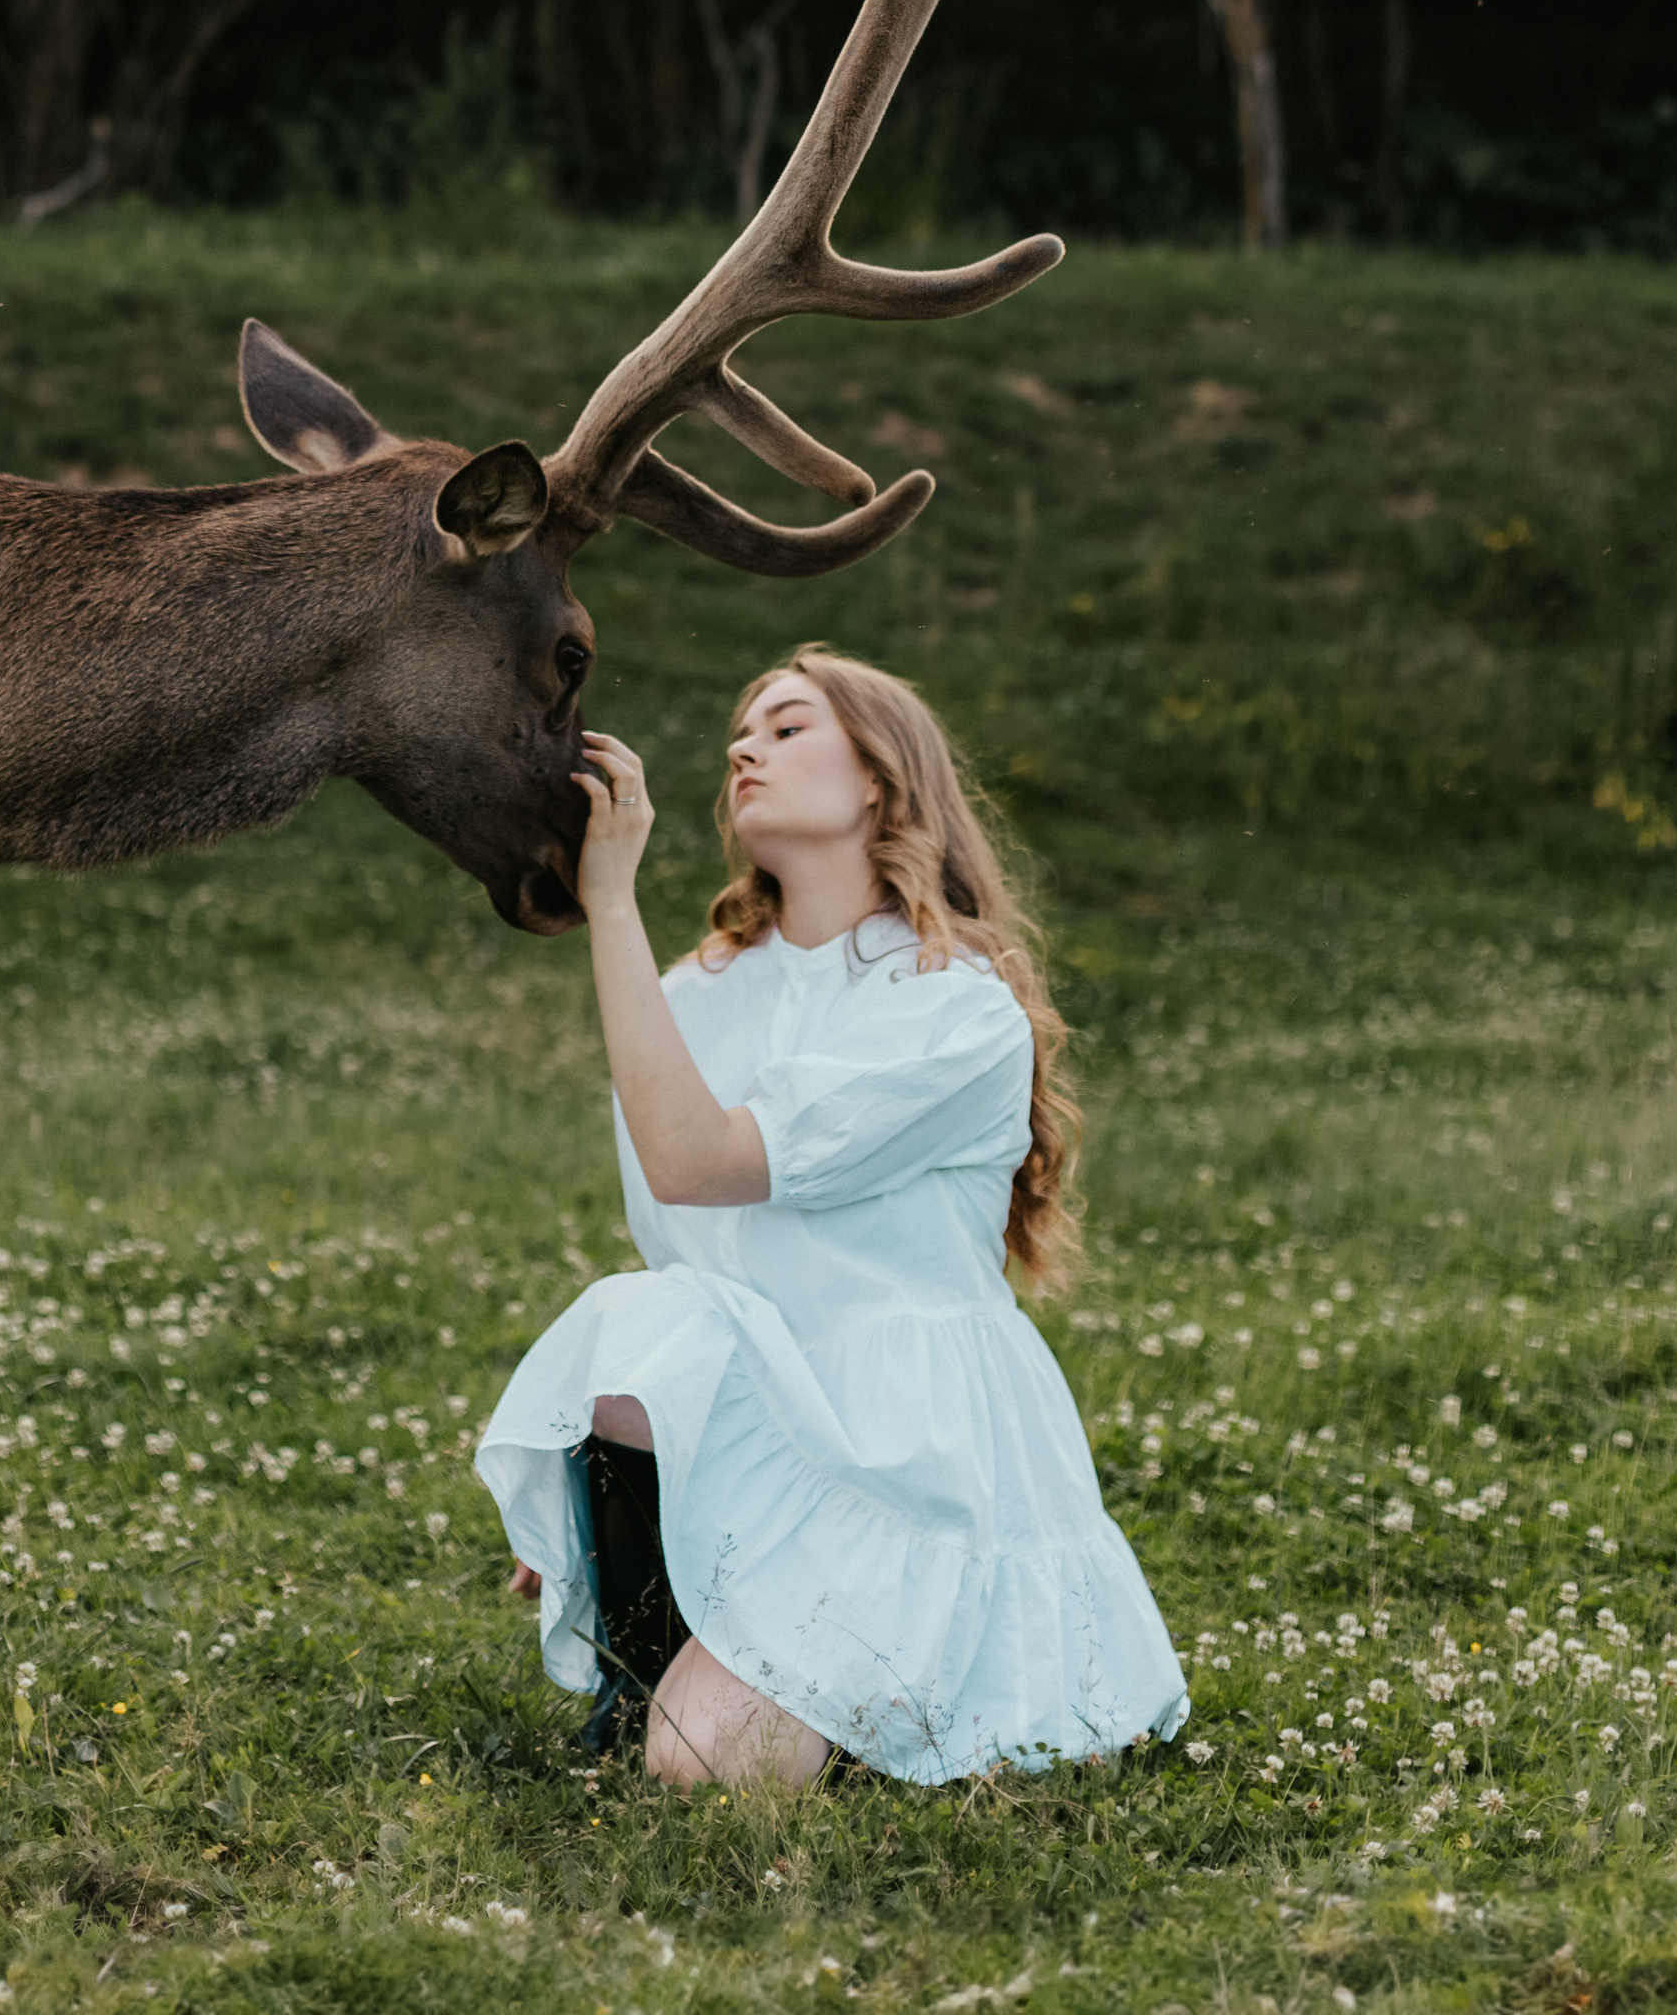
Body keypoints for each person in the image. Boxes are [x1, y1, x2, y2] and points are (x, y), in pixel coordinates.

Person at [475, 645, 1189, 1790]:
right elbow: (681, 1264)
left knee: (706, 1765)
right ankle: (642, 1663)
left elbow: (697, 1163)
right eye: (740, 734)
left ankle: (861, 1695)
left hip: (905, 1448)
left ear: (879, 782)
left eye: (789, 726)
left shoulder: (950, 1008)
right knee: (633, 1317)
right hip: (763, 1418)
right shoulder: (704, 990)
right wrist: (611, 1479)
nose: (744, 747)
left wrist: (607, 899)